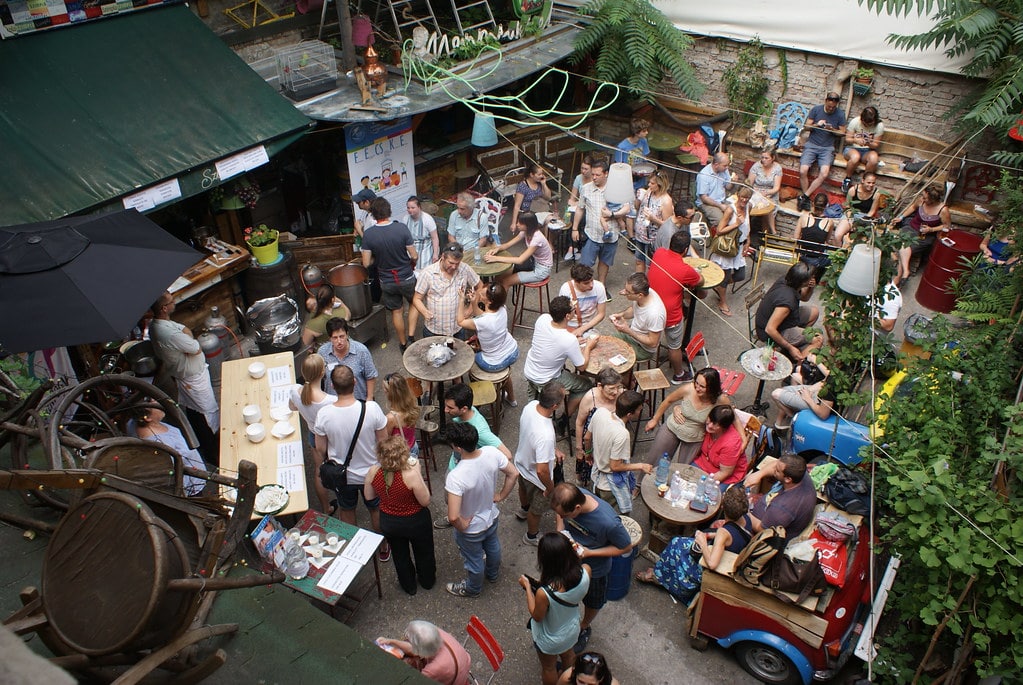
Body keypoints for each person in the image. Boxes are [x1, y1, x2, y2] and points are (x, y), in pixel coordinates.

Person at [313, 366, 390, 560]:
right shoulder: (371, 409)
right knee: (375, 508)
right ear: (355, 382)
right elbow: (384, 441)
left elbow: (320, 448)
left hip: (342, 475)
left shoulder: (324, 414)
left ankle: (353, 548)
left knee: (347, 509)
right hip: (371, 473)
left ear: (332, 386)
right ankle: (383, 546)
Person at [550, 483, 634, 654]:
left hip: (595, 571)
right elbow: (560, 514)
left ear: (578, 507)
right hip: (570, 562)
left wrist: (590, 553)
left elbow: (626, 547)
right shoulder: (571, 496)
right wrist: (560, 529)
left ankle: (583, 626)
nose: (561, 516)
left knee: (592, 601)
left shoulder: (609, 522)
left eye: (564, 515)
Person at [634, 486, 751, 600]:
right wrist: (711, 535)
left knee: (675, 544)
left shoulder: (723, 533)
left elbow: (712, 563)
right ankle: (660, 573)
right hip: (728, 552)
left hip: (713, 564)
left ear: (723, 507)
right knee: (680, 542)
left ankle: (658, 576)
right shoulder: (747, 519)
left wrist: (703, 542)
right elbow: (734, 535)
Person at [444, 422, 519, 598]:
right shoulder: (491, 453)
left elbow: (453, 516)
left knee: (474, 560)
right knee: (493, 546)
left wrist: (462, 526)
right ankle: (492, 574)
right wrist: (501, 495)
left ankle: (473, 588)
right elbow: (513, 473)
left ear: (458, 448)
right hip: (491, 515)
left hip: (471, 528)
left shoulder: (456, 477)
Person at [434, 383, 514, 529]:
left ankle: (459, 520)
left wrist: (500, 495)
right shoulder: (466, 414)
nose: (445, 411)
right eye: (446, 406)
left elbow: (507, 454)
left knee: (461, 504)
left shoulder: (480, 431)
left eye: (450, 408)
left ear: (464, 408)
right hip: (455, 465)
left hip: (464, 475)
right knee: (450, 500)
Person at [364, 435, 435, 595]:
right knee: (424, 551)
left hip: (390, 521)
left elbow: (369, 496)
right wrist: (417, 471)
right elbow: (425, 501)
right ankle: (427, 580)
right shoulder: (410, 474)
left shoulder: (374, 472)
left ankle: (409, 586)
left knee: (399, 554)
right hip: (415, 520)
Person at [521, 533, 592, 685]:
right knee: (568, 656)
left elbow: (537, 616)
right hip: (572, 629)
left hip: (551, 638)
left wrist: (527, 587)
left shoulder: (544, 593)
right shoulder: (586, 571)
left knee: (548, 667)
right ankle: (568, 680)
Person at [149, 292, 220, 435]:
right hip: (193, 379)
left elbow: (184, 329)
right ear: (164, 308)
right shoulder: (169, 334)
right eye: (171, 301)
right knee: (208, 410)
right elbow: (196, 348)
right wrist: (188, 341)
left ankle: (204, 433)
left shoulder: (161, 324)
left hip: (187, 374)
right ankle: (212, 442)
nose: (174, 303)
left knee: (194, 408)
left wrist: (187, 340)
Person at [523, 295, 598, 416]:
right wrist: (589, 346)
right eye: (573, 308)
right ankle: (565, 417)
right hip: (546, 379)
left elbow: (553, 339)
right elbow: (582, 367)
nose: (575, 308)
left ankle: (532, 405)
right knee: (587, 384)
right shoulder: (568, 340)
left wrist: (572, 340)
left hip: (530, 370)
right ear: (567, 316)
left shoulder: (543, 318)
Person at [361, 197, 418, 351]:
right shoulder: (402, 229)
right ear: (389, 211)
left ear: (372, 214)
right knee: (414, 302)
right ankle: (412, 336)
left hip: (386, 280)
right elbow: (414, 255)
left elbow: (366, 263)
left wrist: (377, 256)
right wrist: (411, 262)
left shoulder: (369, 235)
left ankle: (403, 343)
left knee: (397, 311)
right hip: (406, 276)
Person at [644, 367, 732, 465]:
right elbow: (668, 400)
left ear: (711, 388)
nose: (697, 388)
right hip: (672, 427)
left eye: (702, 386)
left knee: (684, 470)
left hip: (694, 438)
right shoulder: (688, 389)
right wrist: (655, 419)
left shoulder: (721, 400)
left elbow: (732, 416)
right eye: (696, 383)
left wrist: (743, 438)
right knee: (654, 461)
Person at [648, 230, 703, 383]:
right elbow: (699, 281)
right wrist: (696, 272)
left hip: (651, 305)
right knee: (674, 345)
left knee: (684, 309)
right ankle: (679, 374)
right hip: (670, 314)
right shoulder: (685, 270)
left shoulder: (659, 253)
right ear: (685, 250)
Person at [515, 383, 566, 546]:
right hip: (536, 478)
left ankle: (523, 510)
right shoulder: (545, 435)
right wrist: (549, 488)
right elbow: (542, 471)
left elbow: (531, 436)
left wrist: (554, 449)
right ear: (555, 406)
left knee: (522, 488)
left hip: (521, 463)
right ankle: (531, 535)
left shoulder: (531, 406)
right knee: (536, 510)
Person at [588, 390, 650, 514]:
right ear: (629, 414)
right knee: (614, 518)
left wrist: (589, 453)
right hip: (608, 487)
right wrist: (641, 466)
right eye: (639, 410)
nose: (640, 411)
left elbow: (586, 437)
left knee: (596, 513)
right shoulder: (622, 434)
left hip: (595, 476)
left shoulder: (600, 412)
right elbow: (615, 466)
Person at [456, 281, 518, 406]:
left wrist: (461, 300)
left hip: (493, 363)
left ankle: (476, 398)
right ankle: (512, 399)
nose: (479, 293)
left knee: (470, 357)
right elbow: (482, 316)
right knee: (504, 372)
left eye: (482, 294)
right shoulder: (502, 309)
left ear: (489, 302)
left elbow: (460, 321)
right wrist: (474, 302)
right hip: (512, 351)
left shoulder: (484, 321)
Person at [289, 354, 337, 512]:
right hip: (332, 439)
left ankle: (326, 507)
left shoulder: (296, 391)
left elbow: (292, 408)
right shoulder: (329, 400)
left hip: (313, 436)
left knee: (318, 472)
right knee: (340, 469)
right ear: (322, 372)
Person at [128, 404, 208, 496]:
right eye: (152, 403)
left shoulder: (134, 423)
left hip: (196, 479)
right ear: (148, 418)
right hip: (190, 487)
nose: (157, 403)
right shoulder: (159, 442)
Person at [755, 262, 823, 362]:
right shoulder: (787, 301)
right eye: (810, 278)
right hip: (772, 331)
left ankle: (795, 342)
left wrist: (811, 287)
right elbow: (770, 329)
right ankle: (797, 365)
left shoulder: (788, 280)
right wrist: (790, 348)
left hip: (785, 320)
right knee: (818, 339)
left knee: (814, 312)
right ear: (802, 282)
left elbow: (805, 298)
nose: (813, 278)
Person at [411, 243, 482, 340]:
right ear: (443, 257)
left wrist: (471, 308)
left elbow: (480, 286)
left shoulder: (464, 269)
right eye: (451, 263)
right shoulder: (427, 273)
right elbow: (416, 299)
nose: (454, 267)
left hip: (457, 328)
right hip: (434, 330)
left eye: (457, 264)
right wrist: (424, 312)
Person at [571, 159, 624, 285]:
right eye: (593, 174)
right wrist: (574, 228)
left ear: (606, 174)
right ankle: (584, 287)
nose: (594, 177)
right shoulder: (586, 188)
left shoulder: (616, 189)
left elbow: (625, 210)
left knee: (605, 262)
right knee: (585, 265)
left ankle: (601, 286)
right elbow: (580, 208)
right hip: (591, 234)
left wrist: (612, 214)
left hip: (611, 236)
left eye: (597, 175)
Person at [743, 453, 817, 540]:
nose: (774, 469)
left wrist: (744, 512)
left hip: (767, 534)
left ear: (788, 479)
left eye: (777, 471)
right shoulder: (799, 473)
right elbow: (776, 464)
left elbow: (763, 530)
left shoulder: (783, 507)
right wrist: (760, 474)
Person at [376, 620, 471, 685]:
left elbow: (416, 681)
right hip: (463, 662)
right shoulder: (433, 633)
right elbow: (414, 649)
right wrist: (390, 641)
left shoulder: (434, 669)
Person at [573, 368, 623, 489]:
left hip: (609, 441)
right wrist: (579, 448)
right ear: (600, 386)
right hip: (590, 440)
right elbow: (579, 423)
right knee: (586, 465)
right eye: (611, 388)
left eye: (618, 387)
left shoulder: (620, 394)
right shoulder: (590, 398)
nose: (616, 392)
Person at [894, 184, 951, 285]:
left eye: (925, 198)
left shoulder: (943, 210)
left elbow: (946, 226)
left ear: (933, 199)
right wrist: (901, 217)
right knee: (903, 244)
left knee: (903, 247)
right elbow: (913, 207)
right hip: (911, 228)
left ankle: (898, 278)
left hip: (925, 235)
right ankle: (904, 272)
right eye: (923, 196)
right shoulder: (921, 200)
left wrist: (931, 229)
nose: (923, 199)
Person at [708, 186, 752, 317]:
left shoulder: (749, 206)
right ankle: (722, 302)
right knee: (725, 277)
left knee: (740, 275)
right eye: (742, 197)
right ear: (737, 195)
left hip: (739, 246)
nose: (744, 200)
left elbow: (747, 226)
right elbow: (720, 230)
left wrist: (748, 241)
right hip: (728, 247)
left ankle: (719, 286)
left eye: (747, 197)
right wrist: (736, 224)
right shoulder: (730, 210)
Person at [799, 92, 846, 204]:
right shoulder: (816, 110)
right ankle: (806, 199)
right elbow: (806, 127)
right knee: (803, 170)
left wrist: (832, 129)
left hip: (827, 148)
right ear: (825, 101)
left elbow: (843, 133)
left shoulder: (840, 114)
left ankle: (804, 197)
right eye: (829, 106)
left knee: (824, 173)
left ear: (837, 105)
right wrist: (817, 124)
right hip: (812, 145)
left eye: (833, 107)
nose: (831, 109)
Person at [486, 212, 554, 290]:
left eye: (520, 223)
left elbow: (520, 260)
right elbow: (508, 244)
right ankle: (493, 296)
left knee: (506, 282)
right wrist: (496, 249)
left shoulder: (537, 238)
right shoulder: (525, 232)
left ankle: (500, 301)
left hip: (541, 270)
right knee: (500, 274)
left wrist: (495, 258)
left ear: (528, 225)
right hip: (533, 261)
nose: (517, 224)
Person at [316, 317, 378, 401]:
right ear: (330, 338)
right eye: (335, 338)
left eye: (342, 336)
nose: (339, 341)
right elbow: (318, 378)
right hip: (333, 404)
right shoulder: (322, 353)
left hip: (358, 402)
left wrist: (369, 398)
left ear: (347, 334)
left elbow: (370, 376)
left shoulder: (361, 351)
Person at [609, 272, 665, 363]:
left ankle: (623, 376)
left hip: (643, 348)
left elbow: (653, 342)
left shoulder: (655, 314)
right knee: (606, 343)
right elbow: (635, 309)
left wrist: (628, 331)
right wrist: (621, 315)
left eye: (628, 292)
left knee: (614, 356)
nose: (624, 292)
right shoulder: (644, 294)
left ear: (640, 295)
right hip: (632, 334)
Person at [770, 354, 836, 430]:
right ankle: (789, 419)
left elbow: (823, 414)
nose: (830, 351)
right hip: (815, 392)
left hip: (815, 402)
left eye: (832, 348)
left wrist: (807, 398)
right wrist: (810, 390)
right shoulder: (834, 373)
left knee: (775, 394)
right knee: (784, 389)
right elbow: (824, 381)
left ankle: (795, 420)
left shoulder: (833, 383)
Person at [692, 404, 746, 486]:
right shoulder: (709, 428)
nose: (710, 425)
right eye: (710, 420)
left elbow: (725, 473)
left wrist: (702, 484)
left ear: (724, 427)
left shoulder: (731, 443)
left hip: (722, 475)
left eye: (715, 424)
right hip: (703, 462)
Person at [631, 171, 673, 273]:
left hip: (653, 239)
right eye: (649, 182)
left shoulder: (666, 201)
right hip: (640, 234)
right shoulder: (649, 192)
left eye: (652, 183)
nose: (649, 185)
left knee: (651, 265)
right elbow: (637, 208)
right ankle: (639, 283)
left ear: (660, 184)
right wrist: (638, 199)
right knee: (639, 261)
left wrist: (653, 219)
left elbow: (668, 225)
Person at [558, 263, 608, 338]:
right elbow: (562, 315)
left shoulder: (599, 287)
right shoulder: (566, 289)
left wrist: (582, 329)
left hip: (588, 326)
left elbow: (601, 314)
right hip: (569, 325)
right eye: (586, 283)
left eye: (592, 281)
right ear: (576, 282)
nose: (591, 285)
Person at [794, 192, 834, 282]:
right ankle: (817, 279)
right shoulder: (830, 222)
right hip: (818, 260)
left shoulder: (803, 217)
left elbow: (796, 238)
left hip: (803, 256)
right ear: (826, 205)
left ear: (813, 203)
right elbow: (826, 240)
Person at [833, 172, 881, 246]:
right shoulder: (853, 190)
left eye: (873, 183)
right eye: (868, 182)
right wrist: (850, 220)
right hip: (851, 214)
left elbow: (872, 211)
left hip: (865, 217)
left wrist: (861, 222)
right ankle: (838, 251)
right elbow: (848, 206)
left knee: (863, 240)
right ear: (863, 181)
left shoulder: (876, 194)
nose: (871, 185)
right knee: (837, 235)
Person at [842, 105, 884, 187]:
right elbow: (847, 139)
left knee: (874, 159)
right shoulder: (855, 121)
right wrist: (855, 140)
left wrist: (868, 143)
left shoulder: (879, 126)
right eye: (865, 124)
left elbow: (876, 145)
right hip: (852, 148)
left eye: (870, 124)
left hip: (867, 150)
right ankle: (847, 179)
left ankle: (865, 182)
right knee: (855, 157)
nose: (867, 126)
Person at [746, 149, 783, 237]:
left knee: (769, 205)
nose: (763, 160)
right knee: (760, 204)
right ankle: (770, 232)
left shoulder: (777, 168)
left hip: (771, 192)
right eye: (762, 157)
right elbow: (749, 183)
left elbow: (776, 188)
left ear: (773, 158)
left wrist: (766, 193)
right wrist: (757, 192)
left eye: (766, 158)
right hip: (756, 191)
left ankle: (766, 232)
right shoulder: (756, 167)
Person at [301, 285, 351, 350]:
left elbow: (306, 342)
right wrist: (339, 301)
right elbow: (348, 313)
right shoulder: (342, 312)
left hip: (326, 351)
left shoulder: (313, 324)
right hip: (344, 346)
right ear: (333, 299)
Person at [565, 155, 594, 261]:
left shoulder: (594, 180)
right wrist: (572, 202)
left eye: (586, 169)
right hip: (579, 206)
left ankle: (578, 247)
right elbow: (572, 197)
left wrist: (578, 203)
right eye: (582, 168)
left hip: (590, 208)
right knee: (570, 215)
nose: (583, 171)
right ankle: (571, 247)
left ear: (592, 169)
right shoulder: (578, 178)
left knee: (581, 218)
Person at [382, 372, 419, 456]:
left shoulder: (391, 418)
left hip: (402, 454)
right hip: (413, 445)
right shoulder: (412, 405)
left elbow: (385, 440)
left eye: (384, 389)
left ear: (390, 393)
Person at [695, 152, 734, 227]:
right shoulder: (704, 175)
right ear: (716, 165)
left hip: (722, 200)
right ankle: (716, 235)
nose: (727, 168)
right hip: (707, 203)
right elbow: (704, 198)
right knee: (720, 221)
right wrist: (720, 206)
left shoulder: (724, 170)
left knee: (736, 213)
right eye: (725, 166)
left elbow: (728, 187)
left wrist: (732, 181)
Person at [403, 196, 439, 274]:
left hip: (425, 251)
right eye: (408, 208)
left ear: (419, 207)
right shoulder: (406, 219)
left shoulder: (427, 219)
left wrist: (435, 254)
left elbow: (434, 237)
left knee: (425, 274)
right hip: (411, 250)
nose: (410, 210)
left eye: (413, 207)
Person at [511, 163, 553, 230]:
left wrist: (544, 184)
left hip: (541, 209)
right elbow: (517, 205)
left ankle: (546, 239)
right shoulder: (523, 186)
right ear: (531, 175)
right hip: (529, 212)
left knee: (551, 222)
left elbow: (548, 197)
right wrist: (513, 223)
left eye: (542, 174)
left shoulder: (539, 183)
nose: (541, 176)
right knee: (547, 220)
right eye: (539, 174)